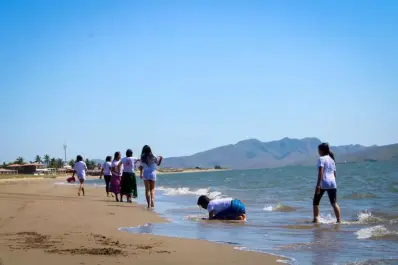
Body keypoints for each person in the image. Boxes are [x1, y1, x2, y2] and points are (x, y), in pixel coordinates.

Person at [313, 143, 342, 223]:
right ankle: (339, 220)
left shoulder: (321, 159)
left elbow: (320, 172)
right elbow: (334, 174)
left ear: (322, 150)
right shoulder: (332, 160)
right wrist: (332, 182)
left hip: (324, 183)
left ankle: (316, 219)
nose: (318, 152)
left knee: (316, 202)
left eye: (318, 150)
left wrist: (318, 185)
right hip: (333, 183)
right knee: (334, 203)